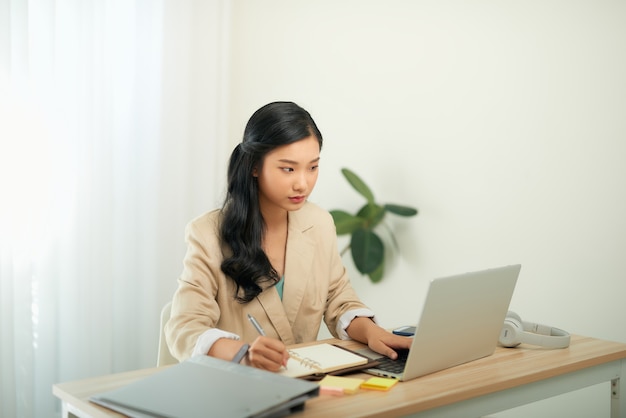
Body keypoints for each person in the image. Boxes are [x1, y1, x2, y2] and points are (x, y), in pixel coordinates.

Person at [165, 101, 411, 371]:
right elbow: (185, 327)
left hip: (304, 383)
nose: (302, 183)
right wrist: (243, 353)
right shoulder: (207, 233)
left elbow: (339, 301)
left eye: (313, 167)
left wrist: (373, 333)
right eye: (288, 169)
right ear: (255, 166)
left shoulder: (318, 223)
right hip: (235, 388)